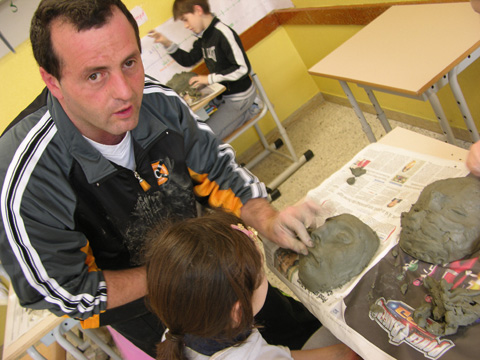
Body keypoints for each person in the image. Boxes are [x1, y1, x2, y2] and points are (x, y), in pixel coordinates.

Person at [0, 0, 321, 357]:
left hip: (211, 264)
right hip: (141, 307)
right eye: (95, 75)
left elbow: (215, 168)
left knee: (297, 328)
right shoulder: (26, 173)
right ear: (52, 81)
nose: (125, 92)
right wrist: (177, 273)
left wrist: (268, 219)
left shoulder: (158, 103)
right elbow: (65, 290)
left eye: (129, 62)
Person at [146, 210, 360, 360]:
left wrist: (342, 354)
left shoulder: (185, 322)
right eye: (262, 275)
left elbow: (278, 355)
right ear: (237, 313)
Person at [149, 0, 261, 140]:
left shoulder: (223, 33)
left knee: (206, 139)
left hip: (240, 97)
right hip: (222, 95)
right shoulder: (204, 37)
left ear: (198, 10)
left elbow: (243, 69)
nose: (186, 26)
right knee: (195, 128)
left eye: (186, 20)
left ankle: (252, 107)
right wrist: (166, 42)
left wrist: (208, 79)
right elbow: (188, 60)